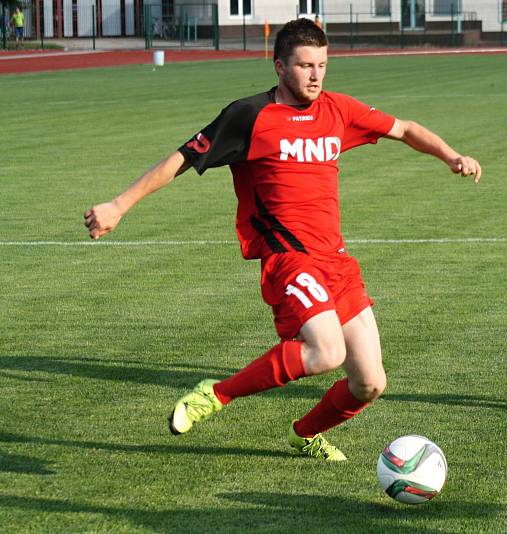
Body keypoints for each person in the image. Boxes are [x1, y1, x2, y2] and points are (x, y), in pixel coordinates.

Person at [84, 18, 481, 460]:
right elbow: (181, 158)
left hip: (338, 262)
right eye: (304, 65)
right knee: (325, 351)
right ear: (279, 66)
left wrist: (451, 155)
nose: (315, 75)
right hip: (289, 258)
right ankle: (214, 395)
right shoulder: (249, 116)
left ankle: (305, 434)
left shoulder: (338, 110)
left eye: (322, 65)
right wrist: (119, 205)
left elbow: (404, 128)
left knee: (370, 383)